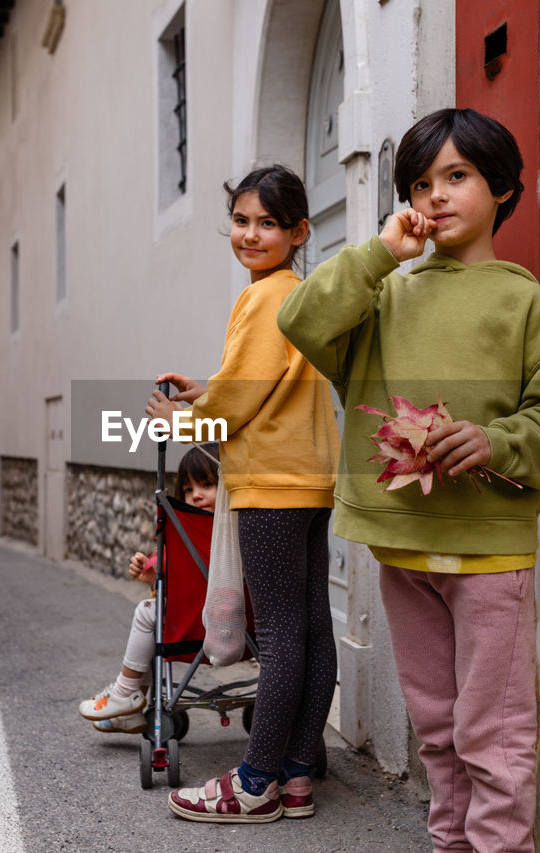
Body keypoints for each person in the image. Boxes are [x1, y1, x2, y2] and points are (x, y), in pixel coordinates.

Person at [277, 108, 540, 851]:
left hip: (488, 555)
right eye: (422, 182)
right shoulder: (384, 294)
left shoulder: (523, 301)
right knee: (440, 730)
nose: (437, 195)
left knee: (496, 735)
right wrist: (379, 253)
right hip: (401, 548)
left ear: (504, 187)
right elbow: (301, 319)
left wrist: (494, 439)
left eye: (458, 176)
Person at [144, 164, 340, 823]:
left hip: (270, 484)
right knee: (311, 626)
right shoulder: (302, 293)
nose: (250, 234)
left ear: (299, 231)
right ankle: (296, 775)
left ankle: (254, 782)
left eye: (268, 223)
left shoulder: (260, 298)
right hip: (311, 477)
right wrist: (211, 387)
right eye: (241, 221)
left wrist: (188, 420)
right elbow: (266, 383)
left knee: (281, 632)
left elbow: (241, 401)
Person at [78, 443, 221, 735]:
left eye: (207, 485)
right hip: (243, 630)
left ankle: (125, 691)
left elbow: (177, 575)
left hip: (197, 625)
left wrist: (152, 576)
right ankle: (130, 710)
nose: (195, 495)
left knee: (147, 613)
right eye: (188, 489)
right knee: (155, 614)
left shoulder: (188, 532)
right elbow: (172, 575)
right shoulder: (249, 527)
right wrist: (150, 576)